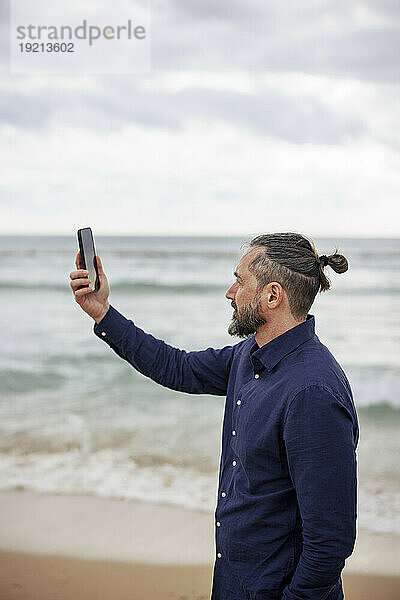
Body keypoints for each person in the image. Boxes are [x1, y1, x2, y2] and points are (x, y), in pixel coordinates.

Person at [69, 232, 359, 600]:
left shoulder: (313, 393)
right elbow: (179, 367)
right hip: (235, 581)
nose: (229, 292)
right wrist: (103, 312)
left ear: (272, 295)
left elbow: (330, 541)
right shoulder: (248, 356)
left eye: (239, 281)